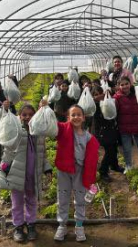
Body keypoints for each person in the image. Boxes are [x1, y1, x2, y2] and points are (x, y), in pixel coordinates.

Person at [0, 104, 52, 242]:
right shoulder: (16, 131)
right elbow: (8, 150)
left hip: (33, 174)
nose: (27, 117)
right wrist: (4, 168)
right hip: (17, 174)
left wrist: (47, 168)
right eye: (24, 115)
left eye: (31, 115)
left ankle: (31, 224)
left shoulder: (38, 133)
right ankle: (18, 227)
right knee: (17, 202)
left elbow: (42, 153)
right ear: (19, 117)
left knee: (32, 200)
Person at [45, 103, 99, 242]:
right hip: (64, 170)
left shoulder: (89, 138)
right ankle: (62, 225)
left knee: (80, 199)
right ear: (68, 117)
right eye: (73, 115)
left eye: (78, 114)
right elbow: (51, 125)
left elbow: (92, 159)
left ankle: (79, 226)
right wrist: (45, 108)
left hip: (80, 172)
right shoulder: (63, 130)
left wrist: (91, 178)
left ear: (83, 118)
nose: (76, 117)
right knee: (62, 198)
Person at [113, 77, 138, 176]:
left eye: (126, 83)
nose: (124, 86)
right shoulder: (116, 97)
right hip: (124, 127)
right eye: (122, 85)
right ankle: (128, 165)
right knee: (127, 148)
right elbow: (114, 111)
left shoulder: (137, 93)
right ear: (119, 86)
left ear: (130, 84)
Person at [91, 86, 124, 182]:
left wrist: (108, 94)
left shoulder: (107, 102)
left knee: (114, 148)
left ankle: (115, 165)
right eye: (95, 94)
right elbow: (89, 106)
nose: (98, 96)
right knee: (109, 151)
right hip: (101, 131)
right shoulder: (94, 106)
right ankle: (103, 171)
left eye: (99, 93)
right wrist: (96, 99)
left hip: (111, 129)